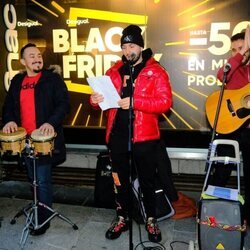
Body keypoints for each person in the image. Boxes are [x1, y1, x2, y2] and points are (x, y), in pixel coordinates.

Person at [90, 25, 173, 243]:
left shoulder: (156, 71)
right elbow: (101, 99)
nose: (128, 51)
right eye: (125, 47)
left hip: (145, 138)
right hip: (117, 136)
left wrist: (136, 103)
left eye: (132, 45)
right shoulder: (114, 70)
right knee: (119, 182)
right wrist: (95, 100)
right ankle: (122, 217)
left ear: (141, 46)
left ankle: (151, 219)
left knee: (147, 181)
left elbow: (165, 102)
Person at [2, 43, 70, 235]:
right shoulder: (17, 81)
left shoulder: (52, 79)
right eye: (31, 56)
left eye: (38, 55)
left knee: (41, 179)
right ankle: (39, 207)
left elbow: (64, 104)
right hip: (25, 140)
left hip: (44, 140)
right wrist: (9, 120)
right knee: (32, 178)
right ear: (23, 61)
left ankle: (43, 218)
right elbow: (8, 107)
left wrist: (50, 122)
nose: (37, 58)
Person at [210, 25, 250, 223]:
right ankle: (210, 211)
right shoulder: (232, 69)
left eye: (242, 48)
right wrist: (240, 55)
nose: (238, 53)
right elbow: (220, 75)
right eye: (234, 50)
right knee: (221, 171)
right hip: (230, 127)